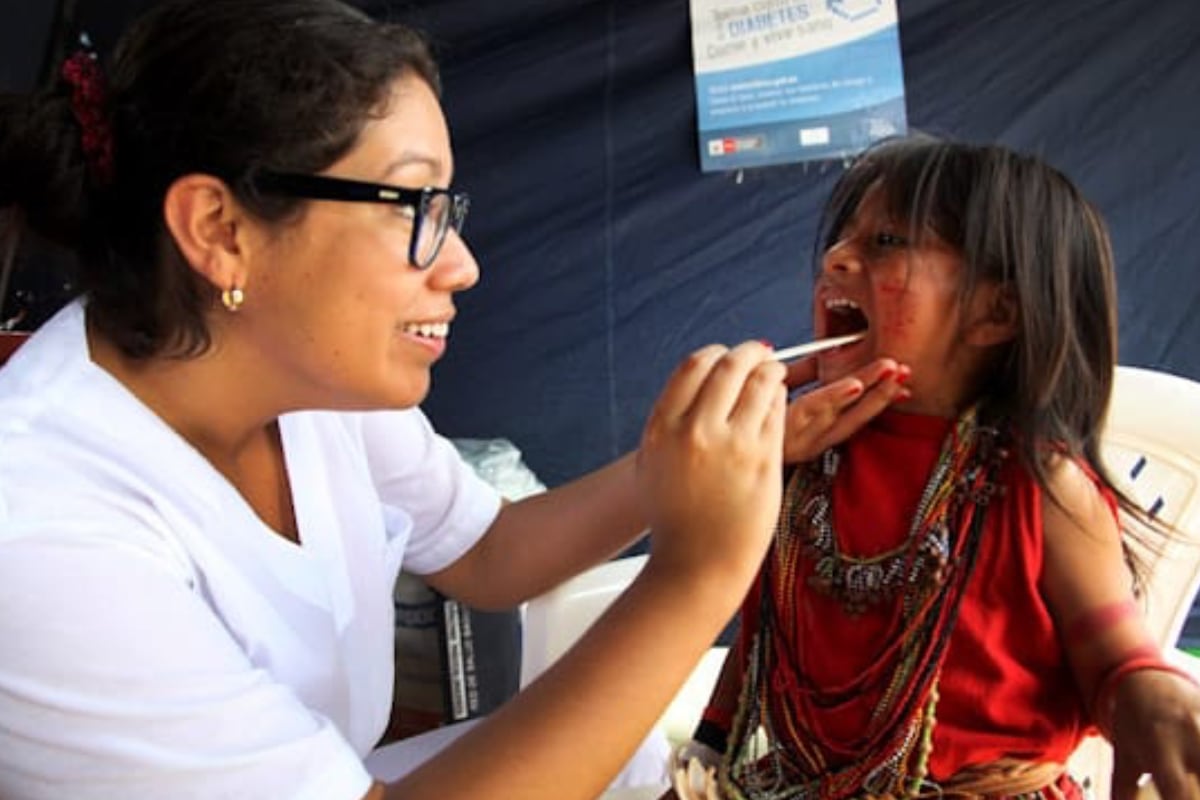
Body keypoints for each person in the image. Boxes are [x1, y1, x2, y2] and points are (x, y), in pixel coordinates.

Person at [0, 2, 912, 798]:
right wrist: (696, 573)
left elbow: (492, 552)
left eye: (448, 208)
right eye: (410, 206)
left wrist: (677, 468)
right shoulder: (43, 532)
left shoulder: (313, 383)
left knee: (632, 758)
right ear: (219, 230)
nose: (462, 265)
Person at [669, 136, 1200, 800]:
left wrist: (1149, 692)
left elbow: (1116, 657)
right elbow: (760, 647)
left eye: (886, 241)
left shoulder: (1041, 489)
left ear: (994, 312)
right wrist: (706, 754)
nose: (836, 258)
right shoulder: (799, 461)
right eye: (843, 239)